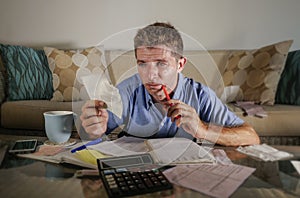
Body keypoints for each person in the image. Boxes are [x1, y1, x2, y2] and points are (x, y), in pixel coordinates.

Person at [80, 22, 260, 146]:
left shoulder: (200, 95)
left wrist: (202, 130)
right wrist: (94, 129)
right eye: (142, 63)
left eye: (161, 63)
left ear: (180, 64)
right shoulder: (126, 91)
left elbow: (251, 136)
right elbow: (95, 132)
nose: (150, 75)